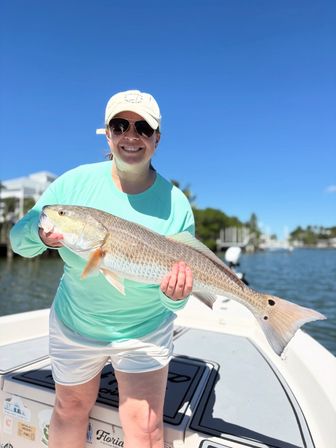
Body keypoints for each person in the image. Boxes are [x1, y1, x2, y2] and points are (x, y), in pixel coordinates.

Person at [10, 89, 195, 448]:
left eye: (143, 128)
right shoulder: (75, 183)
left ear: (157, 138)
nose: (131, 135)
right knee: (69, 407)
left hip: (145, 327)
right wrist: (43, 236)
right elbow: (18, 239)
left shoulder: (176, 203)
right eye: (120, 124)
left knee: (145, 427)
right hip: (76, 323)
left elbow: (178, 296)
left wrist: (176, 297)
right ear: (107, 133)